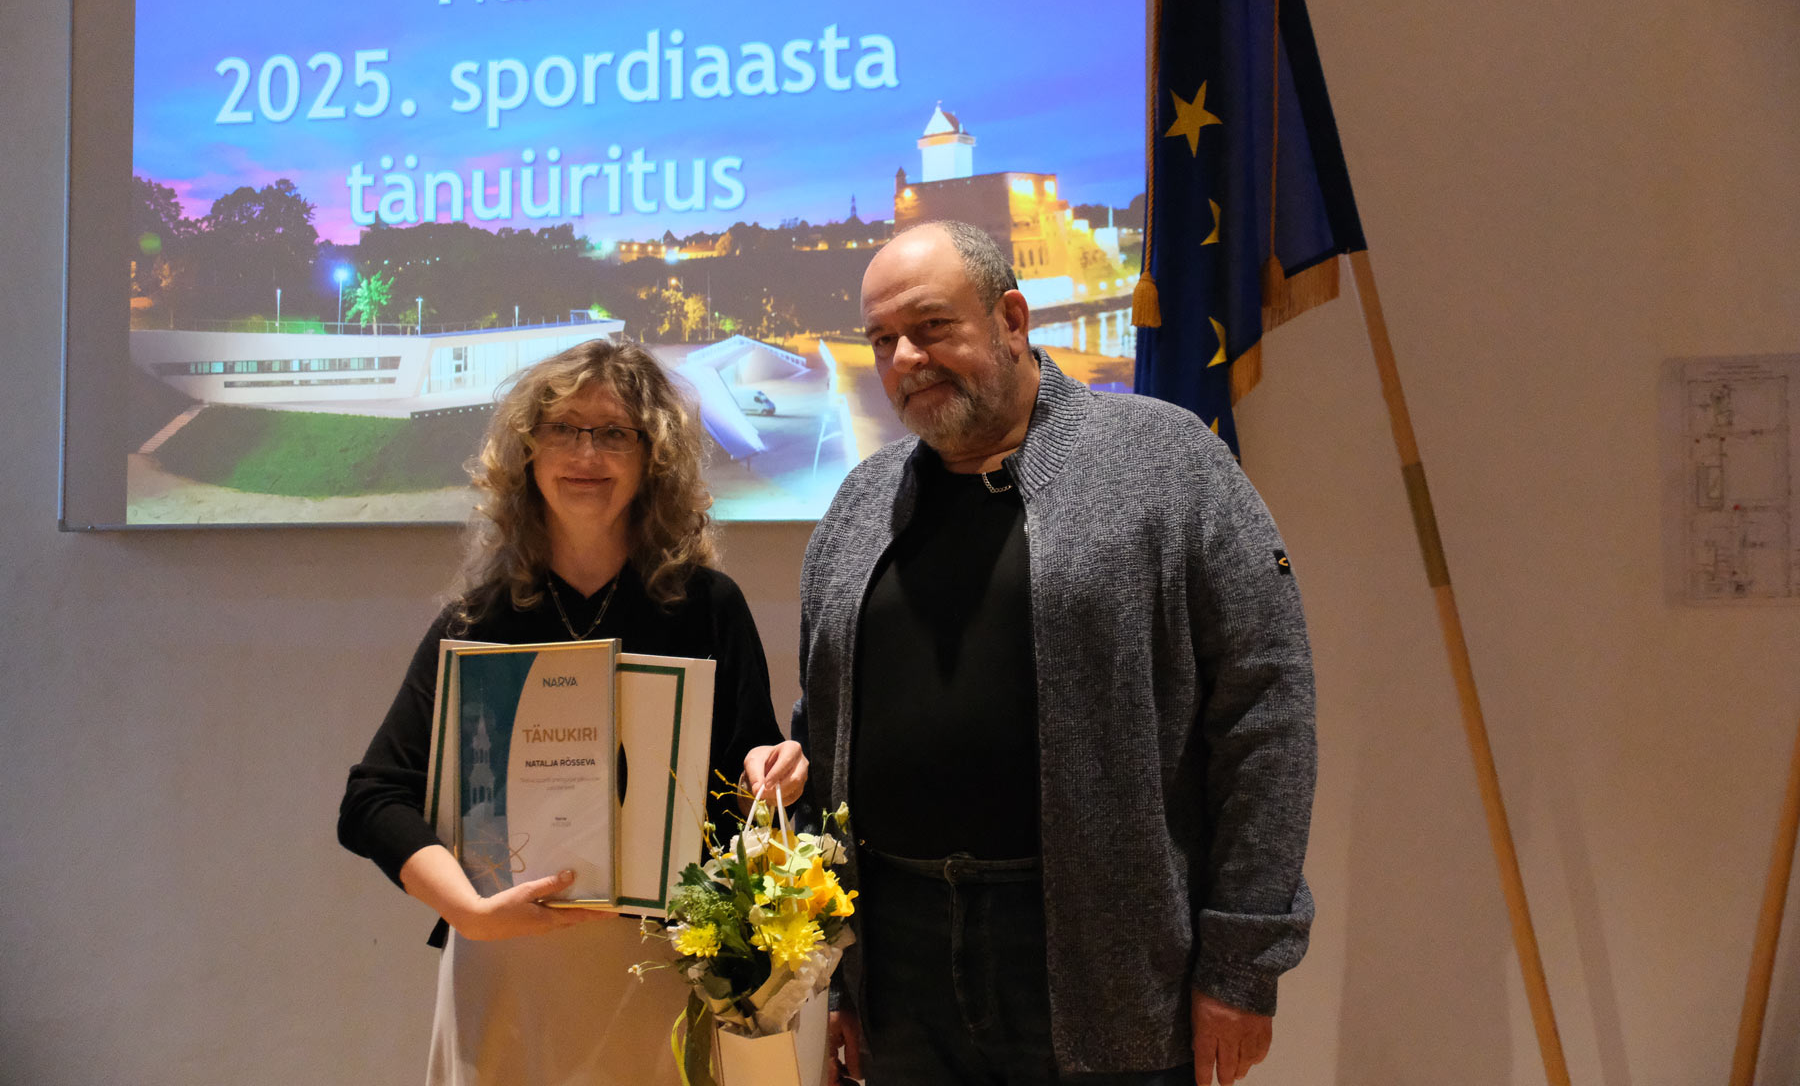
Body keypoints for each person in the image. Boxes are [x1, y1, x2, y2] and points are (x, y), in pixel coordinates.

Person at [793, 222, 1316, 1086]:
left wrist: (1242, 960)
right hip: (898, 964)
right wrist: (837, 971)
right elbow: (822, 727)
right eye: (883, 340)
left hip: (1104, 962)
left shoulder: (1166, 459)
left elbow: (1267, 708)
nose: (906, 359)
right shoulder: (860, 503)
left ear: (1010, 318)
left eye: (931, 327)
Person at [338, 338, 806, 1085]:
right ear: (528, 453)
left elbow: (745, 774)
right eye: (563, 429)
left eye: (615, 432)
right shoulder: (478, 621)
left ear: (653, 457)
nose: (587, 454)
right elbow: (373, 798)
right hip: (506, 970)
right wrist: (469, 911)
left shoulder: (708, 608)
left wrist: (773, 771)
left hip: (659, 974)